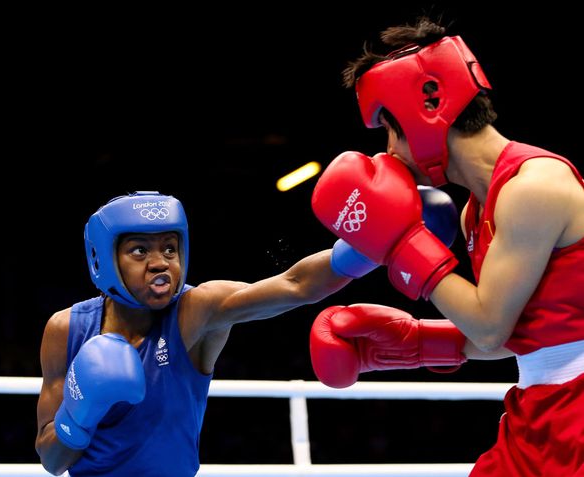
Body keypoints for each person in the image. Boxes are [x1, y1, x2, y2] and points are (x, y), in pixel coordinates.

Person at [309, 17, 584, 476]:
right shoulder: (475, 210)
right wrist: (413, 343)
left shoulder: (536, 186)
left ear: (427, 110)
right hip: (537, 412)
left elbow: (492, 327)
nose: (389, 152)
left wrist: (401, 243)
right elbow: (512, 335)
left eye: (389, 130)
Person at [34, 189, 452, 476]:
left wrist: (373, 244)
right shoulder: (67, 329)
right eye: (140, 250)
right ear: (105, 260)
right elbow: (52, 461)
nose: (161, 263)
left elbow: (294, 285)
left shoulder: (195, 311)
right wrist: (80, 411)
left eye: (170, 248)